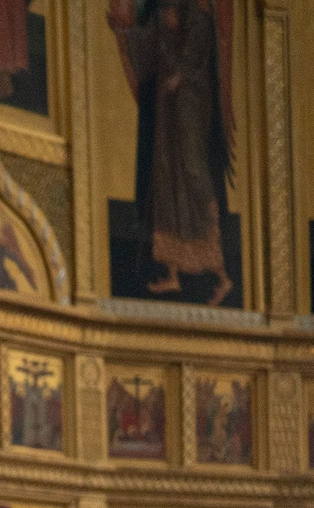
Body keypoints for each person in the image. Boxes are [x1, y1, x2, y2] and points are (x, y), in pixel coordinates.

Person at [109, 0, 233, 305]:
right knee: (166, 177)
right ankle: (173, 273)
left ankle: (223, 277)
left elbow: (199, 48)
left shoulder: (198, 15)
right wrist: (123, 34)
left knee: (192, 169)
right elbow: (146, 47)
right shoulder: (162, 13)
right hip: (167, 111)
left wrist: (182, 74)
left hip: (191, 103)